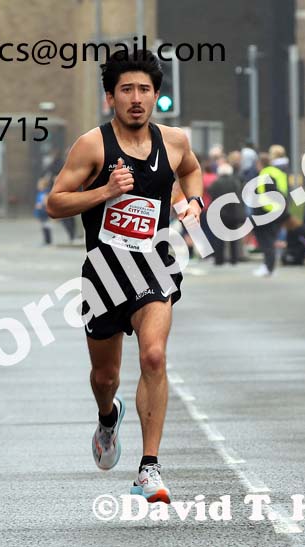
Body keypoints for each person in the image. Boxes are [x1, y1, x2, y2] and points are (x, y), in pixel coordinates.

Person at [46, 49, 203, 504]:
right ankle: (107, 417)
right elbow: (56, 203)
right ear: (110, 97)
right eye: (127, 90)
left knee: (153, 356)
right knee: (105, 376)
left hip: (155, 267)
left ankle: (149, 469)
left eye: (145, 90)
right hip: (103, 276)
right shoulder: (92, 145)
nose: (137, 99)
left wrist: (194, 203)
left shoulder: (173, 141)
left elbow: (191, 172)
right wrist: (106, 191)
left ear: (156, 95)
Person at [252, 145, 290, 277]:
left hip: (266, 212)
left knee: (266, 241)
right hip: (279, 211)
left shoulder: (266, 173)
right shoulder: (278, 172)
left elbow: (267, 192)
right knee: (270, 240)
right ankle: (268, 266)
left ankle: (268, 267)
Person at [34, 175, 52, 245]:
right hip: (40, 212)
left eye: (39, 185)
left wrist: (41, 205)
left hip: (43, 212)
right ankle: (46, 240)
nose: (38, 186)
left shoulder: (45, 192)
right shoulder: (40, 193)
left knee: (46, 226)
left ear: (43, 185)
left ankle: (48, 240)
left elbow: (46, 201)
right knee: (43, 226)